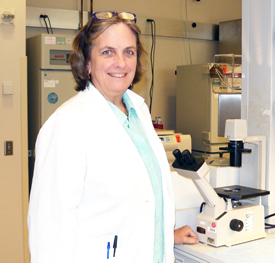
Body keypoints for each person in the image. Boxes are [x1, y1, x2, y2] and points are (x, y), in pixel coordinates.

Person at [28, 11, 198, 263]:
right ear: (87, 62)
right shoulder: (68, 124)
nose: (121, 62)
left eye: (128, 52)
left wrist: (166, 236)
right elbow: (50, 233)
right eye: (107, 52)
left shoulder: (138, 114)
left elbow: (134, 204)